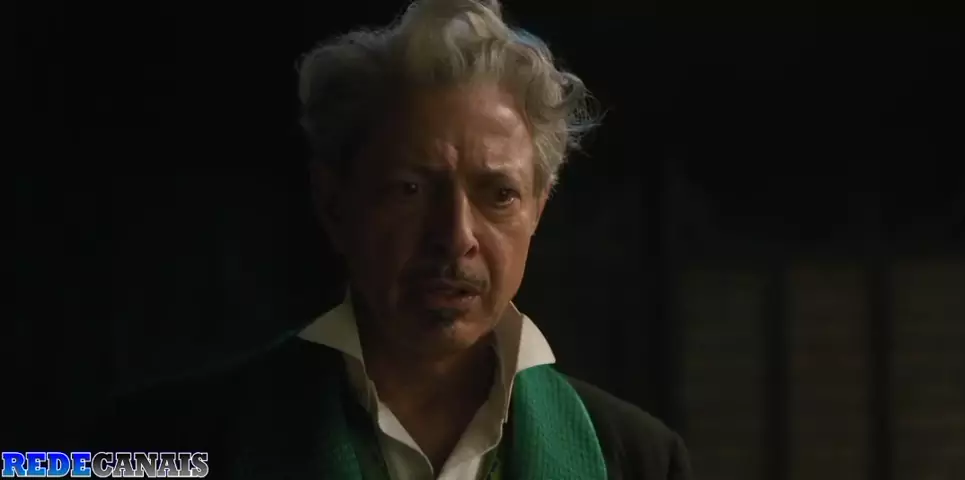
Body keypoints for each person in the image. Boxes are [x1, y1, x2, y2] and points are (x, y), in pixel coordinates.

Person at [104, 1, 692, 479]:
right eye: (410, 189)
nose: (455, 237)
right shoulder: (163, 446)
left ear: (538, 210)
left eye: (498, 195)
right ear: (335, 204)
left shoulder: (637, 460)